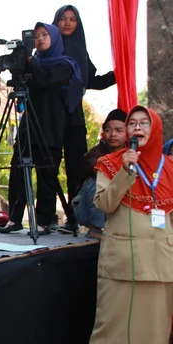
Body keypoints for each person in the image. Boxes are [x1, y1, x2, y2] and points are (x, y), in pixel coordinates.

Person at [90, 106, 173, 344]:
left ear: (155, 128)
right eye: (132, 123)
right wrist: (125, 172)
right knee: (112, 333)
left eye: (144, 123)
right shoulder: (110, 163)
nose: (137, 127)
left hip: (161, 264)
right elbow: (104, 205)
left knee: (154, 334)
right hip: (122, 265)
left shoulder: (170, 168)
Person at [0, 23, 80, 236]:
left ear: (54, 38)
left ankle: (44, 220)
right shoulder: (32, 62)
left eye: (45, 35)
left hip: (50, 126)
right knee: (18, 169)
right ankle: (14, 218)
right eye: (36, 36)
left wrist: (31, 61)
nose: (40, 39)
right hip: (29, 124)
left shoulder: (64, 64)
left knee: (47, 174)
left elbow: (46, 81)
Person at [52, 5, 116, 231]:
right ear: (56, 22)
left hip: (74, 117)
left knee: (76, 166)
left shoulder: (80, 50)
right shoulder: (48, 47)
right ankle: (47, 217)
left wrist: (118, 74)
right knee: (49, 165)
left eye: (72, 19)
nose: (68, 23)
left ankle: (73, 218)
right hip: (51, 114)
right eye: (63, 19)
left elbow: (92, 81)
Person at [64, 109, 127, 239]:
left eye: (118, 130)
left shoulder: (131, 154)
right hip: (85, 210)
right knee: (95, 180)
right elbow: (109, 175)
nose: (112, 134)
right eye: (108, 130)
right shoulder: (94, 155)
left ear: (128, 133)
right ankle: (96, 227)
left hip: (116, 210)